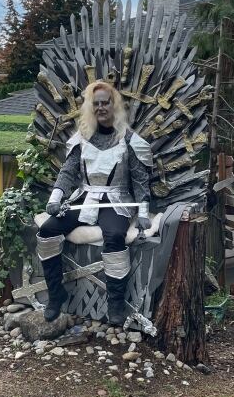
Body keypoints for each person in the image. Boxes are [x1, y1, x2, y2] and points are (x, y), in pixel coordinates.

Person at [36, 81, 152, 325]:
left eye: (105, 102)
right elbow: (67, 172)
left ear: (114, 105)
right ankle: (56, 295)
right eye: (96, 103)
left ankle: (116, 303)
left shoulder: (129, 140)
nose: (101, 107)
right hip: (84, 198)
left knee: (115, 234)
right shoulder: (83, 137)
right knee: (47, 230)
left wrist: (143, 211)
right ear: (91, 106)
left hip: (116, 199)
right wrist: (55, 198)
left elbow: (141, 180)